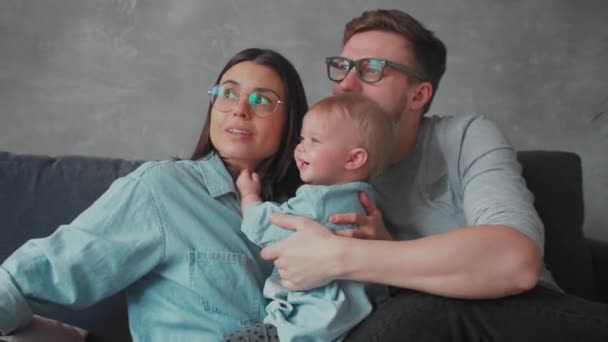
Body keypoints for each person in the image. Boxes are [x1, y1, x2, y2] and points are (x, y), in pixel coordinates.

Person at [257, 9, 608, 341]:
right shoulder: (325, 162)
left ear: (419, 94)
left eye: (372, 69)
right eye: (343, 66)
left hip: (521, 317)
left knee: (420, 312)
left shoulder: (465, 136)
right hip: (410, 326)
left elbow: (515, 262)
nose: (346, 84)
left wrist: (338, 257)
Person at [0, 47, 309, 341]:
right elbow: (41, 272)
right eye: (228, 93)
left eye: (261, 100)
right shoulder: (162, 189)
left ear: (291, 121)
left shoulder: (305, 212)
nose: (240, 110)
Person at [226, 93, 396, 342]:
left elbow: (262, 225)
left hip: (303, 326)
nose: (300, 147)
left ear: (353, 158)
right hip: (350, 324)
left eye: (314, 140)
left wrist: (249, 196)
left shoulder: (318, 200)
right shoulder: (368, 202)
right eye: (301, 138)